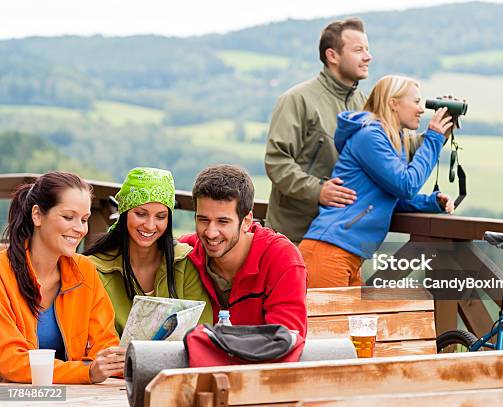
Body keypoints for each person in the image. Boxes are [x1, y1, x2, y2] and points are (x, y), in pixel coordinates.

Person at [300, 75, 455, 288]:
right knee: (328, 323)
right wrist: (434, 138)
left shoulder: (391, 138)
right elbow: (406, 185)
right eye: (416, 102)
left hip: (349, 255)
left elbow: (387, 197)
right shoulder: (370, 137)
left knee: (354, 322)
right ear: (393, 103)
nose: (421, 110)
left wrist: (430, 203)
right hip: (329, 250)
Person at [0, 171, 123, 384]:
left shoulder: (85, 271)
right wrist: (86, 372)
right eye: (68, 217)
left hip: (73, 397)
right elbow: (10, 361)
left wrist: (112, 362)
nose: (80, 229)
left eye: (84, 219)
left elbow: (105, 343)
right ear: (37, 215)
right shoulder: (3, 273)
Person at [179, 165, 307, 361]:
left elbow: (285, 343)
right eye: (203, 219)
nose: (211, 233)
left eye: (223, 222)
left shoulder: (282, 258)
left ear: (247, 220)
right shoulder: (185, 252)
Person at [265, 17, 372, 243]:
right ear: (332, 55)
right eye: (358, 50)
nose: (367, 57)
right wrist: (318, 191)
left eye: (367, 49)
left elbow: (387, 153)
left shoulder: (364, 104)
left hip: (342, 238)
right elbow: (277, 162)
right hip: (294, 237)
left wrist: (436, 133)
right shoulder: (297, 99)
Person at [84, 167, 212, 336]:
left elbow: (202, 329)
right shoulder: (95, 269)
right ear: (124, 213)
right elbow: (97, 339)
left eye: (160, 217)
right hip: (118, 362)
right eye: (141, 214)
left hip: (180, 362)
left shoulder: (185, 262)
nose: (150, 225)